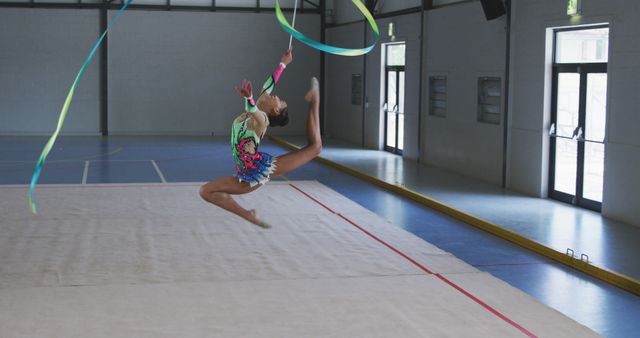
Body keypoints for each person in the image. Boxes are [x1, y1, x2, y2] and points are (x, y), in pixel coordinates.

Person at [199, 49, 322, 228]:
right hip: (243, 175)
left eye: (278, 100)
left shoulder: (262, 121)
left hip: (256, 173)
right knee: (205, 191)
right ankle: (248, 214)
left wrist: (249, 98)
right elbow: (268, 84)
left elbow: (252, 110)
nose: (275, 96)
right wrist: (283, 64)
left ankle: (315, 100)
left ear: (276, 111)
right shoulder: (260, 108)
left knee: (315, 148)